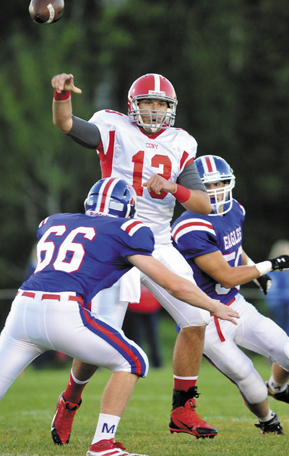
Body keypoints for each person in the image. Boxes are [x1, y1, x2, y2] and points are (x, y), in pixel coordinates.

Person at [0, 177, 239, 456]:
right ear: (127, 207)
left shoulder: (55, 221)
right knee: (133, 360)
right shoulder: (126, 229)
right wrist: (213, 305)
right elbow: (172, 283)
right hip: (64, 312)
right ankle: (103, 444)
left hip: (21, 310)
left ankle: (72, 406)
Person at [50, 72, 218, 441]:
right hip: (115, 237)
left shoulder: (181, 143)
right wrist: (62, 95)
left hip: (157, 241)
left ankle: (182, 409)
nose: (155, 110)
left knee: (197, 318)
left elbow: (204, 205)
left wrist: (175, 187)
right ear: (133, 106)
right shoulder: (112, 127)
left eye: (161, 104)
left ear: (171, 109)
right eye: (148, 102)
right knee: (102, 339)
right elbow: (64, 123)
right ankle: (71, 399)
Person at [171, 155, 289, 435]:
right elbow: (224, 274)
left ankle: (279, 387)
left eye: (221, 183)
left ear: (230, 183)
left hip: (234, 304)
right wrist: (271, 265)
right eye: (207, 186)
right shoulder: (190, 226)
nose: (215, 191)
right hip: (203, 316)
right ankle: (268, 421)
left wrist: (254, 269)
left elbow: (233, 249)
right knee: (247, 379)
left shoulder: (235, 209)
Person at [265, 240, 289, 337]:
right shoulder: (287, 269)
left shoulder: (269, 268)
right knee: (286, 335)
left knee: (275, 333)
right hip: (284, 304)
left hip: (272, 304)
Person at [123, 285, 163, 368]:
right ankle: (140, 362)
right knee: (138, 337)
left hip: (148, 306)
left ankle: (155, 363)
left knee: (151, 337)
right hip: (137, 307)